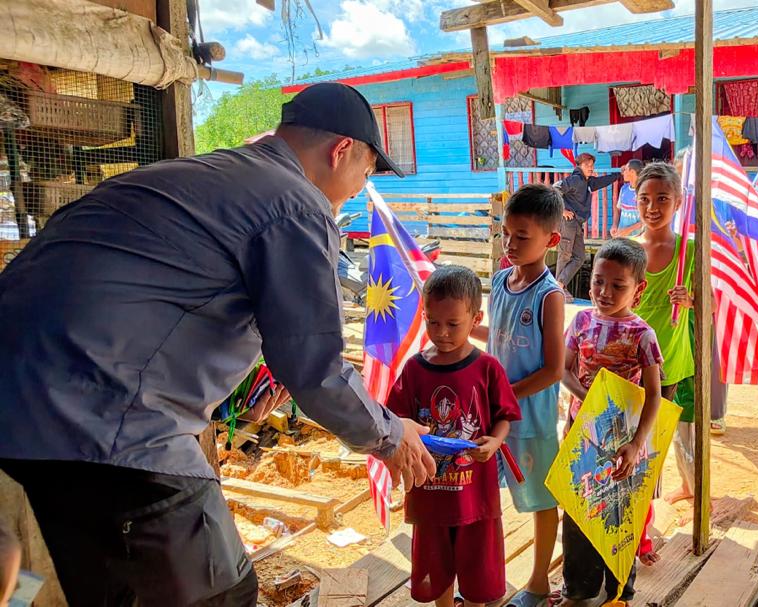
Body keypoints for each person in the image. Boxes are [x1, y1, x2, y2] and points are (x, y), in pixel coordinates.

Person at [0, 83, 437, 606]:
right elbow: (313, 367)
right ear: (340, 150)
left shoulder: (202, 174)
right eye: (364, 174)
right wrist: (389, 436)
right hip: (111, 418)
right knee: (220, 593)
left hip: (22, 414)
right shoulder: (295, 202)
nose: (356, 189)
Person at [387, 266, 521, 607]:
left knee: (478, 570)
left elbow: (505, 415)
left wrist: (493, 441)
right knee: (436, 566)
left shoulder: (487, 367)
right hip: (430, 495)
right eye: (433, 322)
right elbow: (396, 419)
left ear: (475, 318)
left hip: (475, 495)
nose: (442, 333)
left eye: (453, 324)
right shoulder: (415, 369)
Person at [475, 184, 566, 607]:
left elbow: (552, 369)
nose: (510, 244)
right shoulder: (498, 280)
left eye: (522, 236)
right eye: (505, 233)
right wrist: (452, 326)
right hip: (492, 416)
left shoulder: (549, 297)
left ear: (551, 240)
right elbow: (496, 336)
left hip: (530, 419)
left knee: (542, 499)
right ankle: (485, 575)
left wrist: (505, 393)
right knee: (484, 494)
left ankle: (538, 581)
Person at [561, 238, 663, 607]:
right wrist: (586, 396)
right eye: (598, 281)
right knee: (578, 512)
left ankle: (619, 592)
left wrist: (637, 443)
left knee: (620, 513)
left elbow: (653, 394)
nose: (604, 292)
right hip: (581, 434)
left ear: (638, 290)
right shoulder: (581, 320)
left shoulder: (642, 336)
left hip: (624, 443)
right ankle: (577, 589)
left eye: (618, 286)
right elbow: (564, 368)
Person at [630, 162, 697, 504]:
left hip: (668, 362)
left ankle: (646, 515)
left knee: (654, 441)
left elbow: (711, 305)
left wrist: (692, 300)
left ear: (678, 202)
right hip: (627, 364)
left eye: (662, 199)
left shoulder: (692, 251)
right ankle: (632, 513)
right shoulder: (626, 251)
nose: (652, 208)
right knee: (627, 437)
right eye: (644, 199)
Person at [554, 153, 621, 299]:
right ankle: (558, 288)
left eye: (592, 165)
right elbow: (554, 189)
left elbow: (601, 181)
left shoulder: (587, 181)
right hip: (568, 222)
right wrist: (562, 210)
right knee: (565, 254)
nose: (590, 168)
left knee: (579, 257)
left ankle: (559, 284)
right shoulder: (576, 179)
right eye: (587, 165)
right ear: (579, 166)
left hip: (577, 223)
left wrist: (618, 175)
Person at [611, 159, 644, 238]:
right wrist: (615, 225)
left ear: (632, 172)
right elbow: (618, 209)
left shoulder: (644, 192)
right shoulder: (624, 189)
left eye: (625, 170)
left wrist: (628, 230)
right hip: (622, 237)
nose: (623, 173)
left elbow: (647, 220)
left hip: (638, 238)